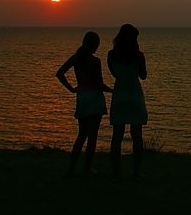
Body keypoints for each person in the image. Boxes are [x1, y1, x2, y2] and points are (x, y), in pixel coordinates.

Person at [56, 31, 112, 178]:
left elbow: (60, 73)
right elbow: (98, 84)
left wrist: (71, 89)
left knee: (81, 135)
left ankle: (71, 169)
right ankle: (87, 169)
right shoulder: (95, 61)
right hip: (94, 99)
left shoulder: (76, 58)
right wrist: (113, 91)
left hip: (82, 98)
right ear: (94, 45)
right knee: (92, 137)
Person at [107, 23, 148, 180]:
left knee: (116, 136)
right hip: (135, 95)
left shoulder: (111, 55)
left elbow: (115, 74)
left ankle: (116, 172)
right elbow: (143, 76)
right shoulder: (139, 55)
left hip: (119, 95)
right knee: (137, 136)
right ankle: (136, 172)